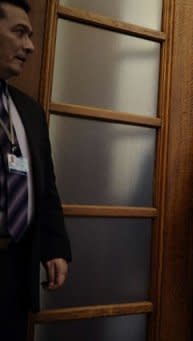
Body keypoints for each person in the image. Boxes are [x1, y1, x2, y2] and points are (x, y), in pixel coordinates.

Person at [0, 1, 72, 339]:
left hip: (16, 267)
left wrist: (54, 247)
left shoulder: (27, 110)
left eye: (30, 35)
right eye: (19, 32)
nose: (29, 45)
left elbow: (46, 186)